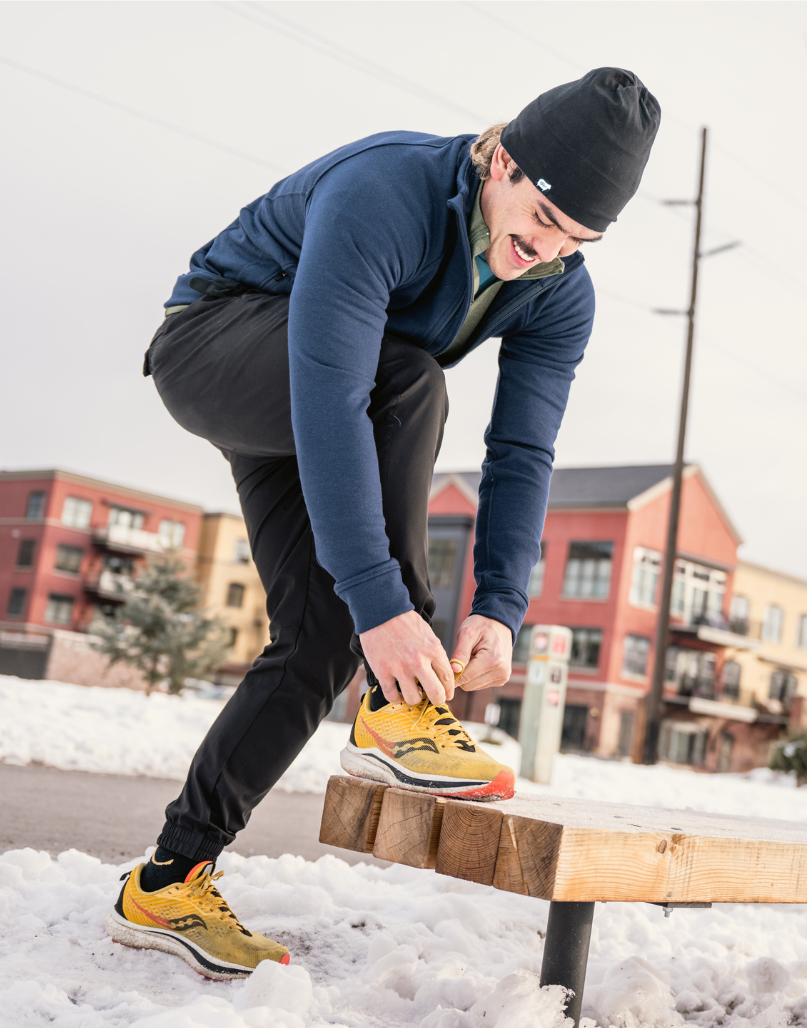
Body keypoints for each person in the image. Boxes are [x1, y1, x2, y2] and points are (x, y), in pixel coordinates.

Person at [106, 68, 660, 979]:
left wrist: (500, 605)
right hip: (216, 347)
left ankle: (168, 880)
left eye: (577, 240)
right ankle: (398, 704)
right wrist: (388, 609)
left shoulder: (561, 291)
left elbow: (522, 451)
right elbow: (334, 391)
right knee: (408, 381)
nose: (545, 251)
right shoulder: (387, 193)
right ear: (503, 159)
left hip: (332, 397)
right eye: (542, 220)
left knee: (321, 636)